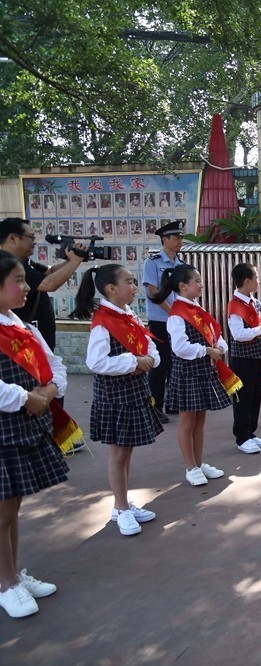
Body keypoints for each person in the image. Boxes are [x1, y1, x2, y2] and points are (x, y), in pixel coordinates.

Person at [0, 251, 69, 618]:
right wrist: (27, 397)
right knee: (2, 513)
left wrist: (49, 391)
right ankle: (6, 583)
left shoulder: (23, 326)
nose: (26, 288)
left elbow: (55, 365)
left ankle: (11, 574)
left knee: (12, 507)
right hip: (4, 430)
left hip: (25, 426)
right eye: (18, 281)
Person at [72, 263, 162, 536]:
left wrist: (149, 360)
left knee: (127, 451)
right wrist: (133, 361)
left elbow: (150, 348)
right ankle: (121, 508)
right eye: (129, 282)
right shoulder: (104, 321)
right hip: (115, 396)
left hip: (133, 391)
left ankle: (122, 503)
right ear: (112, 289)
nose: (134, 287)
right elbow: (96, 362)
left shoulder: (127, 315)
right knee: (118, 453)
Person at [150, 265, 233, 486]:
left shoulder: (196, 308)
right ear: (182, 286)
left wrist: (219, 346)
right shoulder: (177, 314)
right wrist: (207, 350)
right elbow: (180, 348)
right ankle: (190, 467)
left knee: (200, 420)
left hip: (203, 370)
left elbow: (214, 333)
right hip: (187, 372)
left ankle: (199, 462)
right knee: (187, 422)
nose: (201, 284)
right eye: (196, 281)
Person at [0, 217, 86, 351]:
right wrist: (75, 261)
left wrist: (73, 258)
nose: (34, 242)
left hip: (36, 338)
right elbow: (48, 284)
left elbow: (49, 271)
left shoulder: (24, 262)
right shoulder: (6, 264)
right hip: (21, 342)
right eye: (31, 237)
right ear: (13, 238)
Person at [227, 263, 261, 455]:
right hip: (242, 358)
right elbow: (238, 334)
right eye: (256, 278)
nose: (259, 281)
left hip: (257, 355)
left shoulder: (255, 302)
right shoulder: (235, 305)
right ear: (247, 281)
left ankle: (251, 432)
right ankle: (242, 436)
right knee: (243, 398)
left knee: (256, 395)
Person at [142, 220, 187, 423]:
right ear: (164, 239)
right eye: (176, 238)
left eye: (180, 237)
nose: (180, 241)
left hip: (177, 321)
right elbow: (153, 292)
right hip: (160, 320)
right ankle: (155, 406)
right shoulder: (152, 262)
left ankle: (172, 402)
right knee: (160, 364)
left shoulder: (180, 265)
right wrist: (173, 312)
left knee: (175, 362)